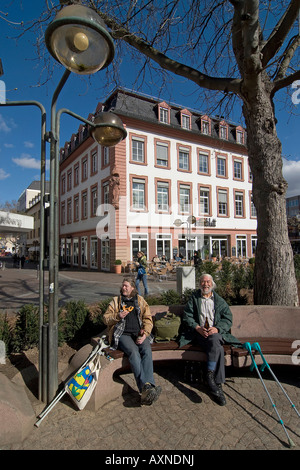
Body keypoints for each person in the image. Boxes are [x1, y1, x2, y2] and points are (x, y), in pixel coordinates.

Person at [178, 273, 241, 406]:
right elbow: (187, 316)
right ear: (199, 283)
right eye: (203, 282)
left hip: (215, 333)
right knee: (217, 346)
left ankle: (212, 378)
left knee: (215, 341)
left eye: (208, 282)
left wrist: (217, 328)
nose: (205, 284)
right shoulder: (194, 298)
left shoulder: (219, 300)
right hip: (198, 335)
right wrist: (197, 327)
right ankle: (216, 385)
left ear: (212, 284)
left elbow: (228, 318)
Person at [103, 278, 161, 405]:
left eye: (126, 286)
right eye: (123, 286)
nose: (124, 288)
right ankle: (144, 389)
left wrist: (145, 333)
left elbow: (147, 318)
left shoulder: (139, 300)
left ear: (132, 288)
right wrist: (117, 316)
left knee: (146, 349)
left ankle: (149, 385)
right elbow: (105, 319)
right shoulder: (116, 301)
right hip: (122, 334)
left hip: (138, 333)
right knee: (134, 352)